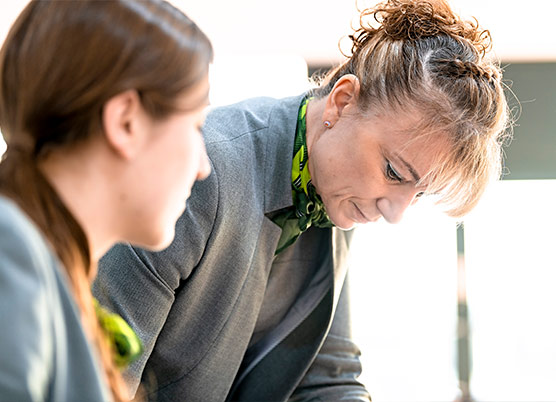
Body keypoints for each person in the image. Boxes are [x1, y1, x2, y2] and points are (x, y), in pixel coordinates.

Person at [94, 0, 510, 400]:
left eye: (418, 193)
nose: (395, 212)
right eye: (394, 173)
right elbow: (100, 375)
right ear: (343, 101)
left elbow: (327, 376)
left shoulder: (336, 196)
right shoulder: (203, 171)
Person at [0, 0, 212, 401]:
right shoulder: (11, 250)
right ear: (125, 121)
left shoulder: (46, 265)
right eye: (196, 125)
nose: (203, 167)